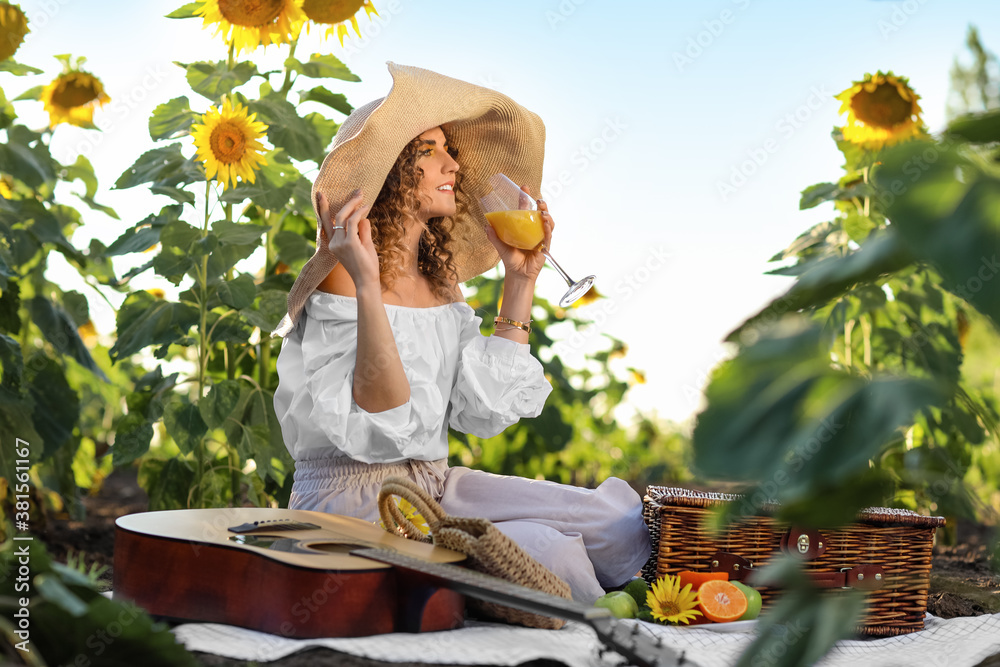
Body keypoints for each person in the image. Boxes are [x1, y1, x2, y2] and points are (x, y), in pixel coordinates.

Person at [273, 63, 649, 603]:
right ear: (391, 169)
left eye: (448, 149)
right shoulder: (341, 273)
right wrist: (368, 283)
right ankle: (558, 594)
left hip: (436, 487)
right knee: (549, 551)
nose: (454, 163)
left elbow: (481, 411)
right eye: (430, 149)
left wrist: (520, 281)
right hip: (358, 501)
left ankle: (519, 586)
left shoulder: (440, 281)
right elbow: (384, 415)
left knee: (614, 522)